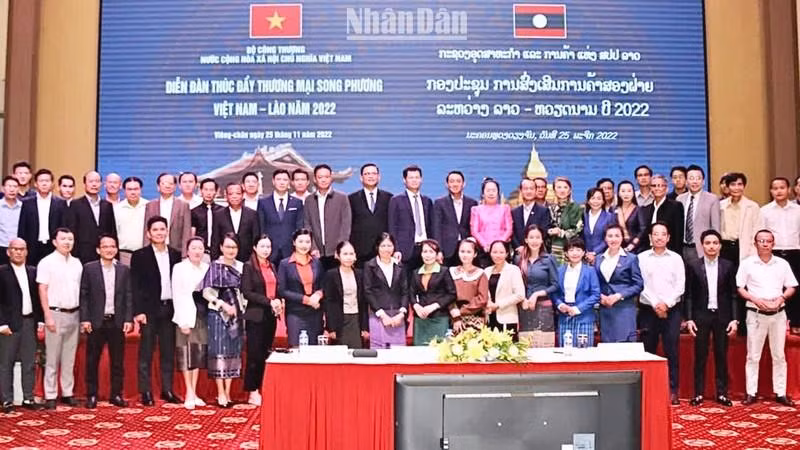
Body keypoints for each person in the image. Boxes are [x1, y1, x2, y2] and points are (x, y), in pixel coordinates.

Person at [737, 229, 798, 406]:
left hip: (778, 314)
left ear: (773, 244)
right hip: (755, 314)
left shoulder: (782, 264)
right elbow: (740, 287)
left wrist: (781, 299)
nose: (765, 243)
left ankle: (780, 392)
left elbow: (792, 286)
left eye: (768, 241)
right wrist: (756, 300)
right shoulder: (747, 263)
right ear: (755, 244)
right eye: (761, 241)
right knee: (753, 356)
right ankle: (751, 392)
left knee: (779, 355)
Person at [131, 216, 183, 406]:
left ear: (167, 232)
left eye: (162, 229)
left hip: (169, 309)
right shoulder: (140, 255)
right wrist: (138, 311)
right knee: (146, 351)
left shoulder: (176, 254)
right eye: (155, 230)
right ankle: (145, 391)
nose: (159, 233)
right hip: (149, 311)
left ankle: (167, 390)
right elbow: (135, 286)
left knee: (168, 352)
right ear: (148, 233)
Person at [685, 230, 738, 407]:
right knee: (700, 355)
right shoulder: (693, 265)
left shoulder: (728, 265)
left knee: (721, 355)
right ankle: (698, 393)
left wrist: (734, 319)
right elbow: (689, 295)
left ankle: (722, 393)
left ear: (720, 245)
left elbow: (733, 295)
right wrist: (689, 318)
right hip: (701, 316)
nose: (711, 246)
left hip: (722, 316)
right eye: (707, 243)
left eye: (715, 243)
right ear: (702, 245)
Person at [79, 234, 132, 409]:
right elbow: (84, 295)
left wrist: (128, 318)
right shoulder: (89, 268)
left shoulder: (124, 270)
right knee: (92, 360)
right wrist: (85, 318)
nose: (109, 249)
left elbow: (128, 296)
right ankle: (91, 395)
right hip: (95, 321)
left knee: (117, 362)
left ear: (116, 249)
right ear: (98, 250)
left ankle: (116, 395)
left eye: (112, 246)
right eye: (105, 247)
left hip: (116, 321)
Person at [638, 222, 685, 405]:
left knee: (671, 350)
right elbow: (640, 284)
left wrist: (666, 303)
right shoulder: (641, 258)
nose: (659, 237)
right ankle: (646, 389)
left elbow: (680, 285)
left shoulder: (676, 258)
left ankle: (672, 390)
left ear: (668, 237)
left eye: (663, 234)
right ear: (650, 237)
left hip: (671, 310)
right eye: (655, 234)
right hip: (648, 310)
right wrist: (656, 303)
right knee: (647, 351)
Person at [37, 228, 83, 409]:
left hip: (75, 313)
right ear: (54, 241)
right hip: (55, 314)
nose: (67, 242)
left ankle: (67, 393)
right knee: (52, 357)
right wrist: (47, 315)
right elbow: (42, 290)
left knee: (69, 357)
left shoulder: (77, 263)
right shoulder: (46, 262)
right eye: (63, 239)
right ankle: (50, 394)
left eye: (70, 239)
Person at [201, 232, 245, 408]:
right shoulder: (214, 266)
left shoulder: (241, 267)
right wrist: (222, 305)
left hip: (237, 314)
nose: (231, 250)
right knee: (219, 352)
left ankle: (228, 392)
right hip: (217, 315)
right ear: (221, 248)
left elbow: (244, 291)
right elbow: (206, 292)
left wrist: (241, 308)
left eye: (234, 247)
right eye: (227, 247)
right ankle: (220, 392)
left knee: (234, 352)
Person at [0, 239, 43, 412]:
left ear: (27, 252)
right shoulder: (1, 272)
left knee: (29, 362)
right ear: (8, 252)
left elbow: (37, 298)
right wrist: (1, 323)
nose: (18, 252)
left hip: (29, 322)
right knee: (6, 363)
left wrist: (39, 321)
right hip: (9, 325)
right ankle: (6, 401)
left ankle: (28, 398)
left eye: (22, 249)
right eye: (15, 249)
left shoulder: (33, 272)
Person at [242, 235, 282, 406]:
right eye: (262, 246)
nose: (266, 249)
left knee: (266, 353)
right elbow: (247, 292)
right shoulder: (249, 266)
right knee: (255, 354)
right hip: (256, 315)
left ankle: (262, 387)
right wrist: (269, 301)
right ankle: (252, 391)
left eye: (268, 246)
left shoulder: (271, 265)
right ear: (254, 247)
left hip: (270, 315)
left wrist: (278, 301)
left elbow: (276, 288)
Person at [719, 172, 761, 335]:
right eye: (733, 184)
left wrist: (752, 254)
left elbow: (757, 231)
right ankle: (727, 321)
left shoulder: (753, 206)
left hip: (744, 250)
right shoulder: (721, 205)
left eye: (739, 184)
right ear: (727, 187)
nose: (736, 188)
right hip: (725, 248)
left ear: (744, 186)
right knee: (725, 285)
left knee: (743, 285)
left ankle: (743, 325)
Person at [172, 237, 210, 409]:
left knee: (198, 354)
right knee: (186, 354)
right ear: (187, 251)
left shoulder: (207, 268)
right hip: (185, 316)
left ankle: (194, 392)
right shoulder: (179, 268)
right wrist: (181, 321)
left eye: (200, 248)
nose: (197, 251)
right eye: (193, 248)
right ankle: (188, 392)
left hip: (202, 317)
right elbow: (177, 294)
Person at [759, 177, 800, 335]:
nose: (779, 191)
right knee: (775, 289)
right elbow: (762, 234)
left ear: (789, 189)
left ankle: (796, 321)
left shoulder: (797, 210)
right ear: (771, 191)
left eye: (782, 187)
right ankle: (778, 324)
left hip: (795, 252)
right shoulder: (765, 211)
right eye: (775, 188)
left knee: (795, 289)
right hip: (774, 253)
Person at [596, 224, 643, 343]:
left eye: (617, 236)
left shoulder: (631, 258)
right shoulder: (598, 259)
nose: (613, 239)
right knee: (607, 349)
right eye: (610, 236)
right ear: (605, 238)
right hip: (605, 308)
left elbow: (638, 284)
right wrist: (600, 296)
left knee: (624, 350)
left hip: (624, 308)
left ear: (622, 238)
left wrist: (618, 296)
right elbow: (594, 283)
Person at [278, 228, 325, 347]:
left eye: (307, 242)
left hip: (315, 312)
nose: (304, 245)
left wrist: (318, 294)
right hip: (295, 312)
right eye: (301, 241)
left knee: (315, 350)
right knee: (296, 348)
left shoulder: (316, 262)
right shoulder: (285, 264)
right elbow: (282, 290)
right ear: (294, 242)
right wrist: (306, 300)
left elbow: (323, 284)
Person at [363, 232, 409, 348]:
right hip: (378, 314)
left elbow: (405, 291)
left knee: (398, 353)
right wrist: (382, 315)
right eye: (383, 246)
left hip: (397, 315)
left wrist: (402, 313)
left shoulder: (399, 265)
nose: (386, 249)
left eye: (389, 245)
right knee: (379, 352)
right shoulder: (370, 266)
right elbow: (368, 291)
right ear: (377, 247)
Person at [515, 226, 559, 347]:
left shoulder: (549, 259)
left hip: (544, 308)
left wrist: (537, 294)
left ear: (542, 240)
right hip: (524, 307)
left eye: (537, 237)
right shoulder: (519, 259)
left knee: (544, 346)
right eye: (531, 237)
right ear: (526, 240)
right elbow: (516, 284)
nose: (534, 241)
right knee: (526, 346)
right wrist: (523, 299)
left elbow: (555, 285)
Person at [553, 238, 600, 347]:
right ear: (566, 253)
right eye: (571, 250)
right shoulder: (559, 271)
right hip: (564, 316)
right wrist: (560, 305)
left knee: (584, 354)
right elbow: (554, 292)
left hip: (584, 317)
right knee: (565, 353)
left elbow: (596, 295)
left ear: (583, 252)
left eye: (578, 250)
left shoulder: (590, 271)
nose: (575, 253)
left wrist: (578, 309)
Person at [303, 164, 352, 270]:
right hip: (316, 253)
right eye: (320, 177)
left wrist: (340, 248)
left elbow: (345, 225)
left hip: (336, 253)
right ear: (315, 179)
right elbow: (307, 224)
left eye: (326, 177)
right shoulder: (309, 200)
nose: (323, 180)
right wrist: (313, 247)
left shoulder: (342, 198)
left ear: (331, 178)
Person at [410, 240, 456, 345]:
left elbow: (452, 294)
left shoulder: (444, 271)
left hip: (439, 318)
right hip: (421, 319)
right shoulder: (416, 272)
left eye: (431, 252)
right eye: (425, 251)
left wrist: (435, 306)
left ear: (437, 254)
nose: (427, 255)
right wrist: (416, 306)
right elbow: (411, 293)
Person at [324, 241, 368, 348]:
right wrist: (331, 328)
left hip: (356, 319)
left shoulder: (360, 274)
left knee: (356, 353)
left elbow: (364, 302)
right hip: (339, 320)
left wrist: (364, 327)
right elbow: (329, 302)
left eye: (351, 254)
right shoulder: (331, 275)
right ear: (337, 256)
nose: (349, 257)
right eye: (345, 254)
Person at [388, 165, 433, 273]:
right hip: (405, 249)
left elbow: (432, 226)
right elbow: (392, 226)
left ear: (421, 180)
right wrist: (396, 249)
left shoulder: (427, 201)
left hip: (425, 249)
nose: (414, 180)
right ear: (404, 180)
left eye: (417, 177)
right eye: (411, 178)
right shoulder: (396, 200)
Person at [18, 169, 68, 266]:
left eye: (47, 181)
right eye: (41, 181)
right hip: (32, 245)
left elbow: (63, 226)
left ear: (52, 184)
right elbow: (22, 227)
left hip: (53, 245)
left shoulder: (60, 203)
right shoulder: (27, 203)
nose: (44, 184)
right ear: (36, 184)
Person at [67, 171, 117, 264]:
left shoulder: (107, 205)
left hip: (105, 253)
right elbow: (72, 231)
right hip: (83, 254)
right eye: (91, 181)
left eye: (97, 181)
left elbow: (112, 231)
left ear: (101, 184)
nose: (94, 184)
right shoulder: (75, 205)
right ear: (84, 184)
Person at [349, 163, 392, 267]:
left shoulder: (389, 198)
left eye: (374, 173)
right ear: (361, 177)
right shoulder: (351, 199)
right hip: (360, 253)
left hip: (383, 252)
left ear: (379, 177)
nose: (371, 176)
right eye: (367, 174)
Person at [257, 169, 303, 265]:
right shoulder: (263, 202)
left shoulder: (297, 202)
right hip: (269, 250)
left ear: (289, 183)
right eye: (278, 179)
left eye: (285, 180)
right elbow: (261, 227)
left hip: (290, 250)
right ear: (273, 181)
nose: (282, 182)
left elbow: (299, 227)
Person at [431, 170, 477, 266]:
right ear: (447, 184)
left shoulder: (472, 203)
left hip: (466, 249)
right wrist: (438, 250)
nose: (455, 184)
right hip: (447, 250)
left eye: (458, 181)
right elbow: (436, 228)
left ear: (463, 184)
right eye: (452, 181)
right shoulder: (439, 203)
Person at [677, 165, 721, 261]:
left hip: (701, 249)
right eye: (691, 178)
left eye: (698, 178)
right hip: (682, 248)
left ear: (703, 181)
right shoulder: (680, 199)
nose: (695, 181)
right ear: (686, 181)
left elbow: (715, 227)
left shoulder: (712, 199)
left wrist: (715, 251)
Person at [484, 240, 525, 339]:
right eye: (495, 252)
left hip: (507, 318)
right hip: (490, 318)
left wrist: (498, 305)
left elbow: (520, 294)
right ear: (490, 253)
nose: (498, 255)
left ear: (507, 253)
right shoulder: (486, 271)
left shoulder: (513, 270)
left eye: (501, 252)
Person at [143, 173, 192, 255]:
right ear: (158, 187)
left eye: (171, 184)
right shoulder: (150, 205)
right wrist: (146, 252)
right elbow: (146, 230)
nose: (167, 186)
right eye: (164, 183)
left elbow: (186, 232)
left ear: (175, 187)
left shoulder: (183, 205)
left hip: (176, 250)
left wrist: (185, 254)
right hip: (154, 250)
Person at [211, 183, 260, 262]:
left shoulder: (252, 214)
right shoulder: (218, 215)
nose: (234, 196)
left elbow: (255, 238)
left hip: (247, 260)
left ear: (243, 195)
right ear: (226, 196)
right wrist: (214, 260)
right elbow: (215, 239)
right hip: (225, 259)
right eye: (231, 194)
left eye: (238, 193)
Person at [636, 174, 685, 255]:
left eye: (660, 185)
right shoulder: (646, 209)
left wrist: (676, 254)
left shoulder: (675, 206)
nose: (657, 188)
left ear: (666, 188)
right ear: (650, 188)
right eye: (654, 186)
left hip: (669, 252)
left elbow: (678, 234)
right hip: (649, 253)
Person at [449, 238, 489, 333]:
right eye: (462, 251)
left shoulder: (481, 273)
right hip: (453, 317)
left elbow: (482, 298)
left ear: (474, 254)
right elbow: (447, 294)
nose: (465, 255)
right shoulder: (451, 271)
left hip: (475, 319)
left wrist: (462, 310)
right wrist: (454, 312)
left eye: (468, 252)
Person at [470, 178, 513, 267]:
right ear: (483, 193)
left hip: (501, 251)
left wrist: (499, 245)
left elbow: (509, 229)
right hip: (483, 250)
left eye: (494, 190)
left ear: (498, 192)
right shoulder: (476, 210)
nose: (491, 193)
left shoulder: (505, 208)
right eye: (488, 190)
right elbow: (474, 231)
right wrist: (485, 245)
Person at [547, 176, 583, 264]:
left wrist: (561, 233)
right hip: (553, 248)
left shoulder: (576, 207)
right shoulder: (550, 208)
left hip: (570, 248)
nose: (562, 190)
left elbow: (578, 228)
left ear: (570, 190)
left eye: (565, 187)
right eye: (559, 187)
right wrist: (550, 231)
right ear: (554, 190)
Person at [114, 176, 148, 266]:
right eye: (129, 189)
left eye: (136, 189)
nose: (133, 192)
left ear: (141, 190)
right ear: (124, 190)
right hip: (124, 254)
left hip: (145, 254)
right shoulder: (117, 209)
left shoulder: (148, 206)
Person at [511, 177, 552, 251]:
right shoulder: (514, 212)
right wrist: (518, 247)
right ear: (521, 191)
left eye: (531, 189)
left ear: (535, 191)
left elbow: (544, 232)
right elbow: (512, 233)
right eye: (526, 189)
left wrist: (530, 249)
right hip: (519, 252)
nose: (529, 191)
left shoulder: (544, 211)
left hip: (537, 253)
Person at [190, 178, 223, 260]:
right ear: (201, 191)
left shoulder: (223, 211)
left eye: (211, 190)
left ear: (216, 191)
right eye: (206, 189)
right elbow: (192, 234)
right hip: (201, 252)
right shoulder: (194, 211)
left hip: (220, 253)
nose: (208, 193)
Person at [582, 187, 615, 265]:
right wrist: (586, 252)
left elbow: (609, 237)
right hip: (585, 257)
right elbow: (581, 236)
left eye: (599, 198)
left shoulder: (609, 217)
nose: (595, 201)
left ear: (603, 201)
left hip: (602, 256)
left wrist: (594, 253)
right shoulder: (583, 216)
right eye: (593, 198)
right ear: (588, 201)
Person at [615, 180, 644, 252]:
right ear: (618, 193)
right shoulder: (614, 210)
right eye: (623, 191)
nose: (626, 194)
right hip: (617, 247)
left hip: (635, 248)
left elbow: (643, 230)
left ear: (633, 193)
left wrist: (633, 245)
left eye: (629, 191)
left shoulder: (639, 209)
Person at [0, 176, 21, 265]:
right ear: (2, 188)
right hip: (1, 247)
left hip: (19, 249)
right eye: (9, 186)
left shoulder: (24, 207)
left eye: (15, 187)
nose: (12, 189)